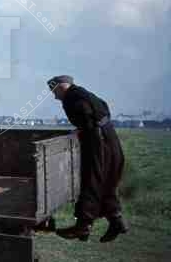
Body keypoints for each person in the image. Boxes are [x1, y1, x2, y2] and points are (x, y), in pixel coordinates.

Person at [48, 75, 128, 243]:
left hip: (99, 142)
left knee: (92, 180)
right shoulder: (83, 93)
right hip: (109, 138)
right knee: (106, 181)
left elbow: (85, 114)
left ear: (61, 86)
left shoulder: (74, 97)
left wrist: (83, 130)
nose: (54, 96)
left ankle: (83, 226)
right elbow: (104, 107)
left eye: (54, 91)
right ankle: (116, 220)